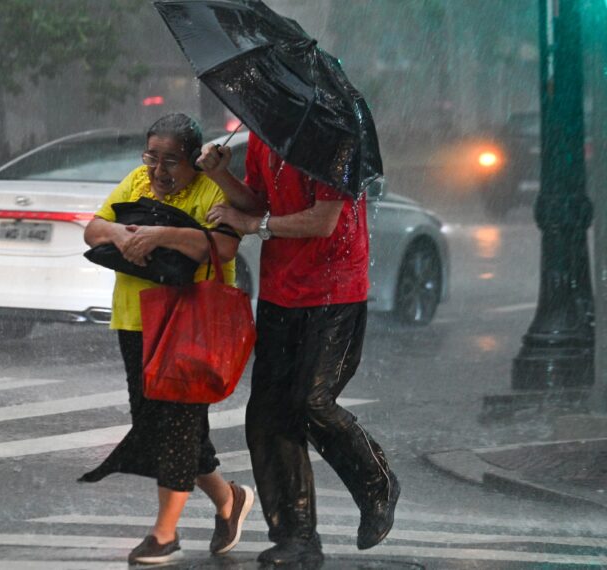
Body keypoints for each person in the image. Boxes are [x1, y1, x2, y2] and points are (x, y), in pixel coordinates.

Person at [199, 132, 400, 565]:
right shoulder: (262, 134)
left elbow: (324, 219)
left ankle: (376, 483)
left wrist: (256, 226)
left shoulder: (334, 136)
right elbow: (258, 200)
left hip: (335, 292)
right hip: (280, 291)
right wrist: (221, 176)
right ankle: (296, 538)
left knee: (312, 402)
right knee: (270, 417)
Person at [79, 113, 254, 565]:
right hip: (136, 322)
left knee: (176, 427)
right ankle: (229, 498)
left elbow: (223, 247)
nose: (158, 171)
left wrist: (162, 234)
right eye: (151, 157)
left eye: (171, 161)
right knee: (160, 425)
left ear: (194, 161)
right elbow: (94, 229)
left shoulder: (213, 190)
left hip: (190, 324)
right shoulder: (136, 181)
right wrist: (120, 231)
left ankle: (164, 534)